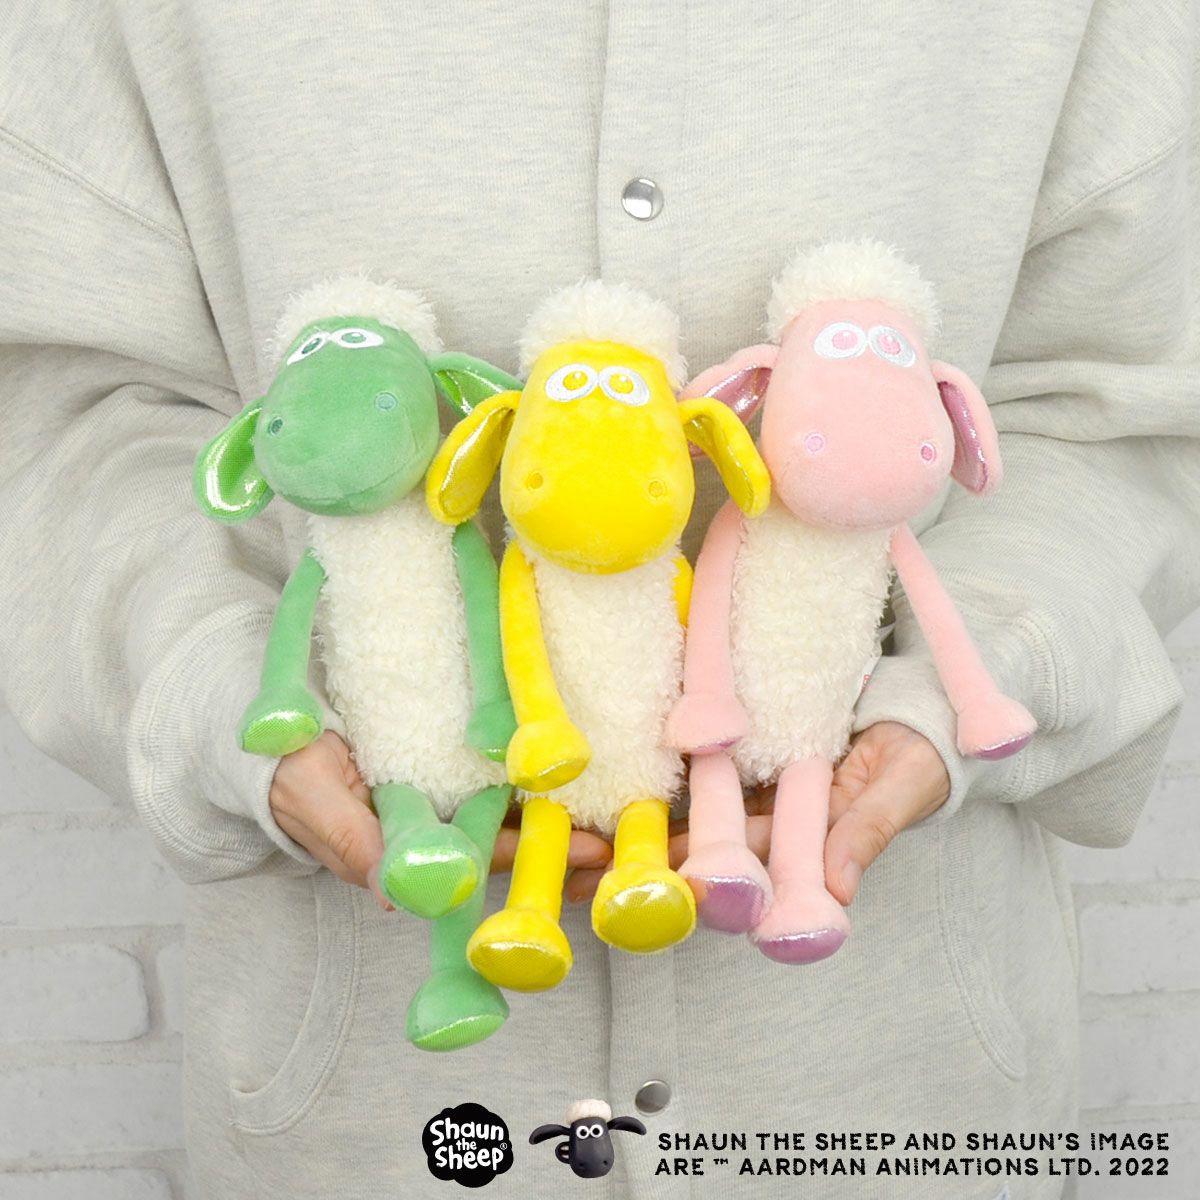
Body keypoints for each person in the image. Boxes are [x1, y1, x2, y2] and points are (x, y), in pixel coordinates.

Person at [1, 2, 1197, 1197]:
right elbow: (71, 410)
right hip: (370, 1104)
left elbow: (1119, 405)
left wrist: (951, 697)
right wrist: (230, 701)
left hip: (892, 1072)